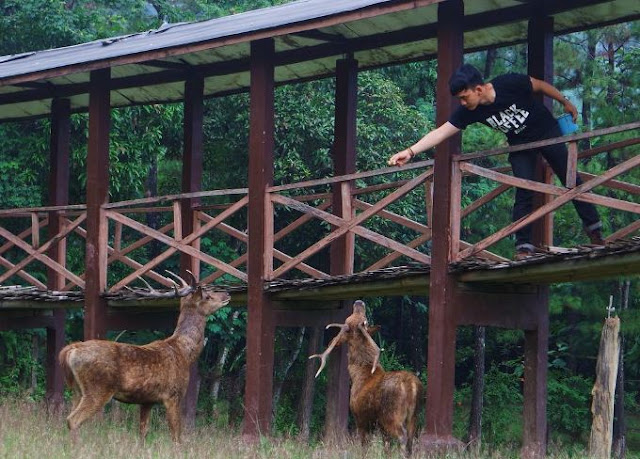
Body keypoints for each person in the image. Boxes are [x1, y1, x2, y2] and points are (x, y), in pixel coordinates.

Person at [388, 64, 604, 260]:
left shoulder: (509, 83)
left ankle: (595, 230)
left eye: (465, 97)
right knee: (523, 188)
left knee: (570, 177)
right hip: (519, 144)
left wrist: (565, 102)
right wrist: (410, 151)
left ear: (479, 90)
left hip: (546, 131)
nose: (463, 103)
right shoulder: (469, 111)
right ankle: (523, 246)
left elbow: (539, 86)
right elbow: (442, 131)